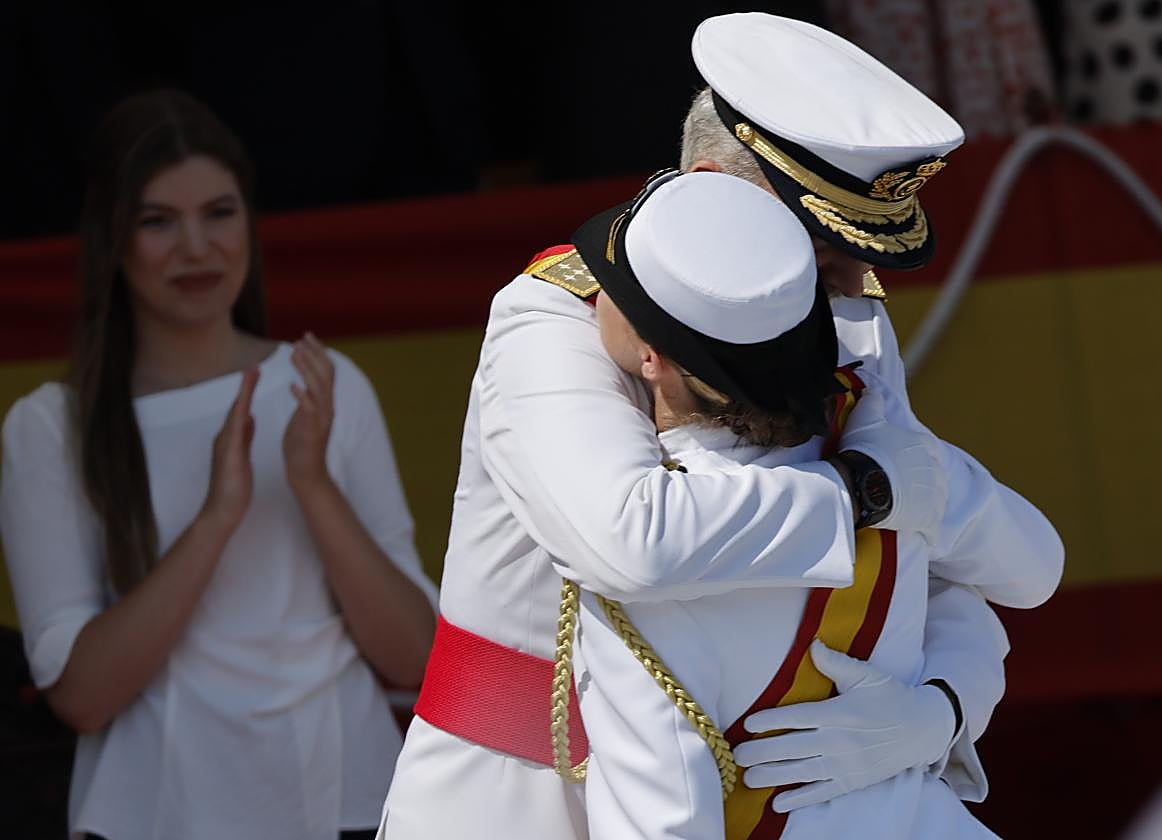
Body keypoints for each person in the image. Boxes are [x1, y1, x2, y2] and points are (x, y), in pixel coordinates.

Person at [376, 16, 1061, 840]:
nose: (853, 281)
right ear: (710, 183)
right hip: (522, 800)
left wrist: (943, 707)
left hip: (777, 802)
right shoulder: (556, 311)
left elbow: (929, 564)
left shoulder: (842, 315)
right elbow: (625, 537)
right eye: (823, 244)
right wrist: (864, 490)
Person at [0, 89, 438, 840]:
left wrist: (310, 486)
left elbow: (417, 656)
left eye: (219, 213)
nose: (196, 248)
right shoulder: (52, 427)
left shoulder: (321, 383)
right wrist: (216, 519)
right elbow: (79, 693)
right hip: (152, 816)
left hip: (345, 806)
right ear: (113, 238)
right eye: (158, 221)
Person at [569, 169, 1057, 839]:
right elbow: (1035, 571)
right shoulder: (888, 453)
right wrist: (940, 713)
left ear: (650, 358)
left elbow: (664, 820)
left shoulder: (653, 564)